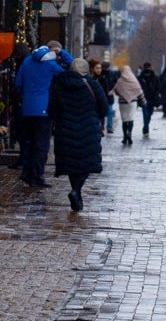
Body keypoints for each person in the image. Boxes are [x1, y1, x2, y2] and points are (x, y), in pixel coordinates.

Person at [48, 58, 109, 211]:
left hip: (65, 129)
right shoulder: (92, 85)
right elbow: (104, 107)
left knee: (71, 163)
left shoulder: (59, 84)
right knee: (85, 163)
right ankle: (76, 191)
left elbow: (52, 109)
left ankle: (77, 192)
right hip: (89, 129)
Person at [15, 40, 74, 187]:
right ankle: (37, 176)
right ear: (54, 51)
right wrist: (63, 53)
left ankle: (27, 173)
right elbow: (73, 70)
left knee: (28, 142)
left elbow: (18, 84)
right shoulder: (51, 65)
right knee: (41, 144)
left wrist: (26, 98)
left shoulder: (28, 60)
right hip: (44, 110)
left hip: (27, 109)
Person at [112, 66, 146, 145]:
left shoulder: (120, 81)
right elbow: (139, 91)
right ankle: (129, 134)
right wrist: (143, 101)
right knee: (131, 118)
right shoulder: (133, 80)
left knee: (124, 120)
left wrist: (122, 93)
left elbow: (116, 90)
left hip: (122, 103)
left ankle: (125, 137)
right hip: (133, 103)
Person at [137, 62, 161, 137]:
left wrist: (157, 96)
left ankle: (146, 125)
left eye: (148, 67)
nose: (147, 69)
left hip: (152, 98)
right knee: (145, 114)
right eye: (146, 67)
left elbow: (158, 88)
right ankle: (146, 128)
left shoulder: (155, 77)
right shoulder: (140, 77)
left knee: (149, 114)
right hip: (143, 98)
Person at [97, 61, 119, 134]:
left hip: (108, 96)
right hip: (102, 96)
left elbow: (116, 83)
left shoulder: (112, 74)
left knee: (109, 112)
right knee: (104, 112)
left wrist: (113, 90)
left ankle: (108, 127)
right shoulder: (100, 74)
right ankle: (103, 127)